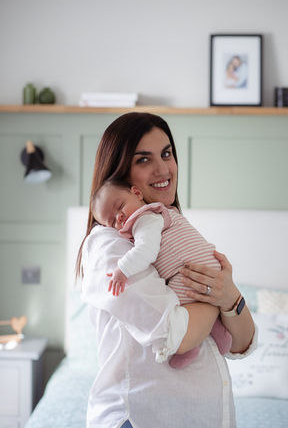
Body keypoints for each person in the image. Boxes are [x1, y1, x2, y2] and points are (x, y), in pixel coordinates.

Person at [77, 112, 256, 428]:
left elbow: (242, 343)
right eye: (143, 159)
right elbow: (175, 335)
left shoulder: (173, 233)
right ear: (120, 174)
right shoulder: (111, 246)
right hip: (143, 417)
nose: (163, 169)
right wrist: (217, 299)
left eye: (167, 153)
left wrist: (230, 297)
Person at [91, 178, 233, 368]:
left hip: (189, 269)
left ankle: (191, 347)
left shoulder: (145, 218)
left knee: (176, 301)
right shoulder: (155, 216)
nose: (119, 217)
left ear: (137, 193)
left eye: (120, 206)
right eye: (112, 221)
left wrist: (122, 269)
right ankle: (220, 333)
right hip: (203, 266)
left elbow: (146, 250)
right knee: (196, 300)